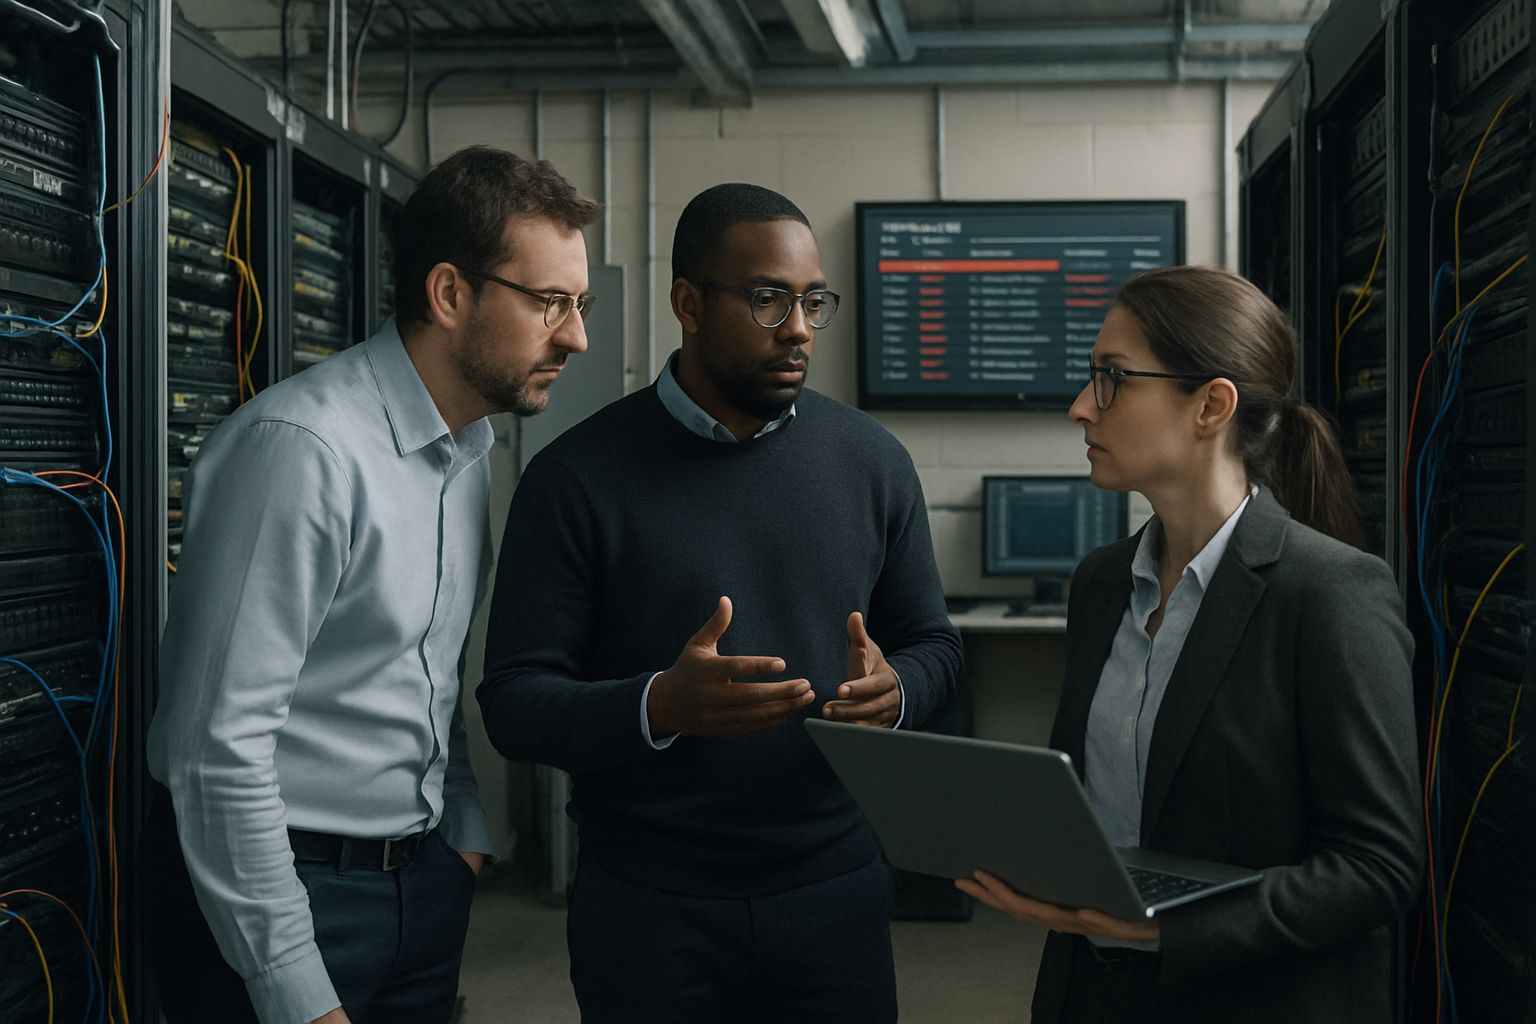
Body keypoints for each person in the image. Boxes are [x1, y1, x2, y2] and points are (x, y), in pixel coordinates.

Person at [477, 182, 963, 1023]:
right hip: (649, 910)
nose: (799, 327)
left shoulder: (873, 462)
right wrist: (658, 706)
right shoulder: (574, 479)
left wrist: (899, 692)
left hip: (835, 896)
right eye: (769, 299)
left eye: (814, 301)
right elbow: (515, 704)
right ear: (689, 304)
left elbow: (936, 646)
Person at [143, 146, 602, 1024]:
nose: (575, 336)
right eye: (550, 302)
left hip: (419, 884)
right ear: (450, 293)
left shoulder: (465, 453)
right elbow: (215, 748)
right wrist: (293, 984)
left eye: (579, 306)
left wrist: (462, 835)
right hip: (283, 894)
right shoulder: (302, 451)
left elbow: (426, 676)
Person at [955, 265, 1422, 1022]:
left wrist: (1164, 928)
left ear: (1211, 405)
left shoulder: (1332, 593)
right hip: (1093, 991)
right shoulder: (1101, 582)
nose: (1080, 408)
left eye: (1112, 379)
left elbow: (1377, 868)